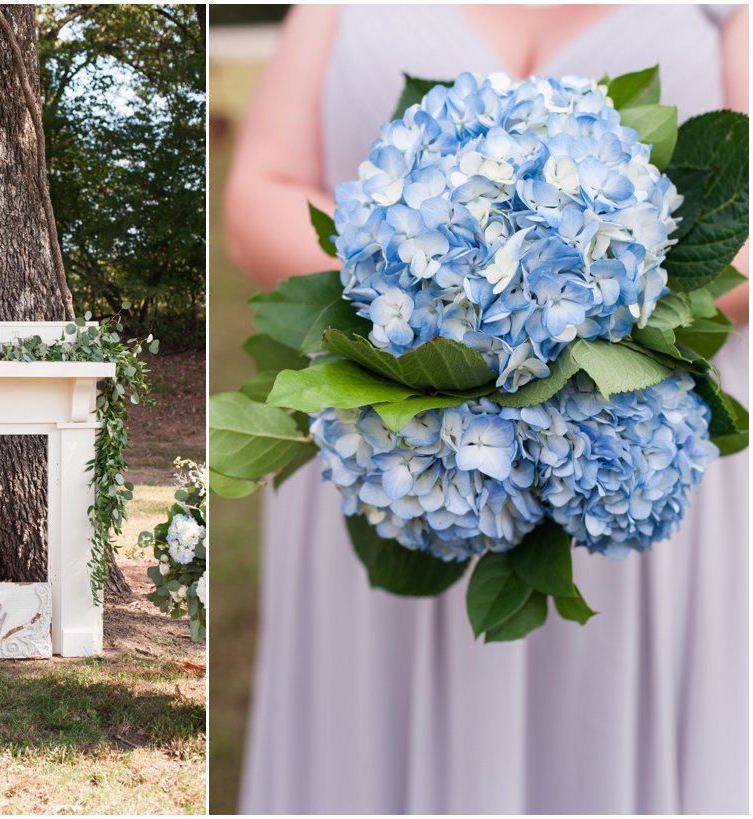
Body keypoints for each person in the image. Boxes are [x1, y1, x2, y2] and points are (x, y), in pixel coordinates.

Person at [223, 4, 749, 814]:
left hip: (628, 434)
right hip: (399, 433)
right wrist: (417, 295)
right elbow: (259, 193)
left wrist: (574, 333)